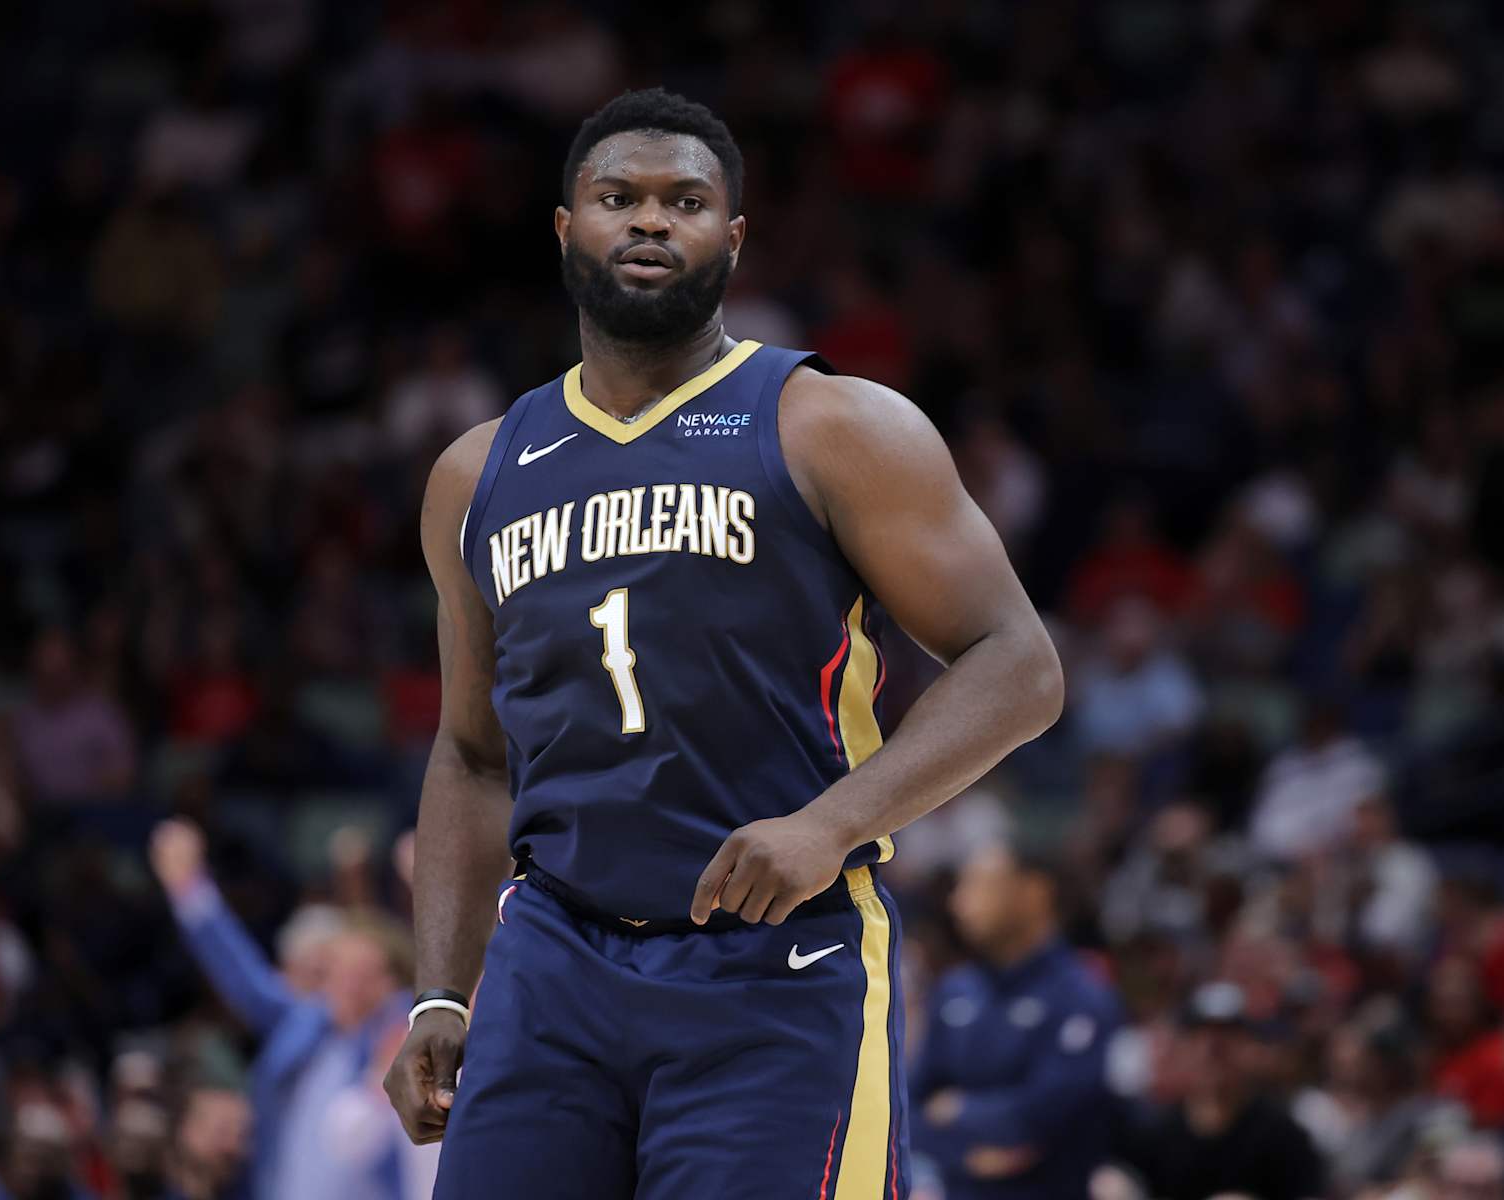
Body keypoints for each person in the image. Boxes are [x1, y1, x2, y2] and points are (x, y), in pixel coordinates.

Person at [381, 87, 1065, 1199]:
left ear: (732, 240)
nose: (650, 222)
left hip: (774, 964)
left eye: (685, 201)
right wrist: (443, 996)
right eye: (619, 198)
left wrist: (831, 825)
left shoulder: (832, 426)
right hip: (553, 962)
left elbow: (1018, 664)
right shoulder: (477, 470)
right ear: (566, 228)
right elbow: (470, 756)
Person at [148, 819, 431, 1200]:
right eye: (331, 967)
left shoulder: (401, 1032)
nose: (332, 978)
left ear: (385, 982)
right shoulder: (307, 1024)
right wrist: (189, 889)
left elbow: (443, 987)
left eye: (351, 971)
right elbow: (243, 980)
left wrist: (429, 890)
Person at [910, 841, 1120, 1200]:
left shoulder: (1081, 993)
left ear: (1033, 893)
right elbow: (909, 1108)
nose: (958, 903)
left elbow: (1052, 1113)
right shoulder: (955, 989)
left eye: (978, 885)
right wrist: (961, 1154)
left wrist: (958, 1110)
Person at [1106, 981, 1324, 1200]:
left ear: (1251, 1048)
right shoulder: (1156, 1134)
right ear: (1185, 1049)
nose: (1214, 1049)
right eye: (1202, 1037)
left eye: (1227, 1037)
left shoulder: (1283, 1136)